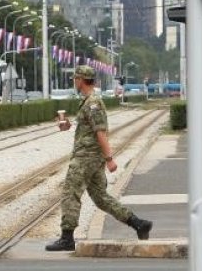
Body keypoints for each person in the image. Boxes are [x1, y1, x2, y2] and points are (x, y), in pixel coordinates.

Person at [45, 65, 153, 252]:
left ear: (81, 80)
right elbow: (88, 129)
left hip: (86, 158)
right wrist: (68, 125)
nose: (74, 82)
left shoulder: (93, 103)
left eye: (75, 78)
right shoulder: (88, 102)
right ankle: (138, 223)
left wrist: (109, 158)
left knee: (70, 193)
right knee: (100, 197)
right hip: (91, 158)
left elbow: (100, 132)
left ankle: (67, 237)